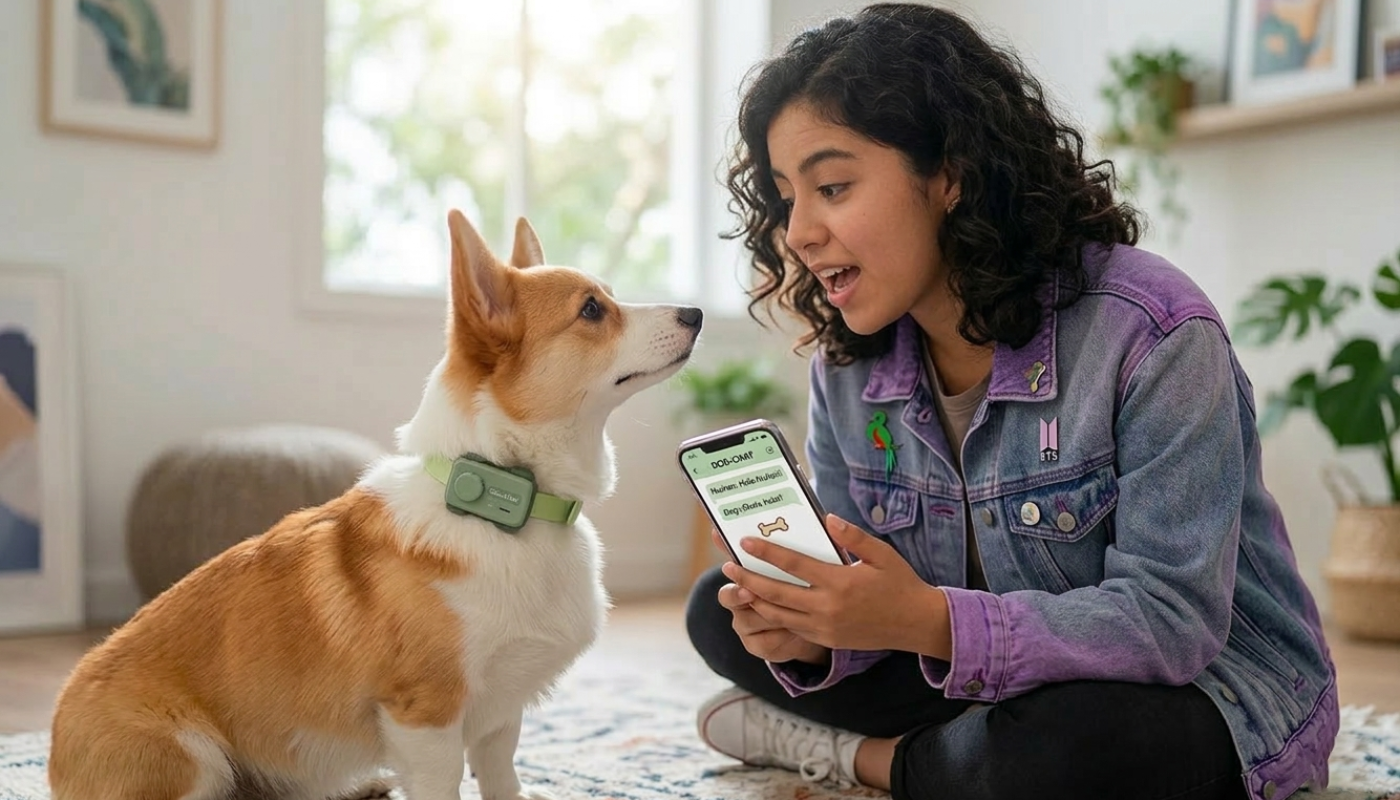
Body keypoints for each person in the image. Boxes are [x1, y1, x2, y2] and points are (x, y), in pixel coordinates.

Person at [684, 5, 1338, 800]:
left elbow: (1172, 622)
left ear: (951, 174)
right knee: (720, 612)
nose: (799, 232)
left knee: (1057, 754)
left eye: (832, 186)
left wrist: (925, 622)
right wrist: (816, 637)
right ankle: (956, 756)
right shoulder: (850, 369)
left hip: (1202, 685)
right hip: (978, 669)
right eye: (788, 198)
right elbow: (872, 596)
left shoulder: (1154, 334)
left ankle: (872, 760)